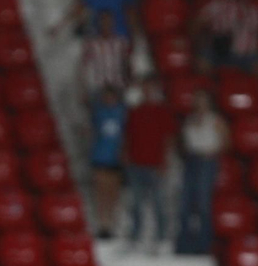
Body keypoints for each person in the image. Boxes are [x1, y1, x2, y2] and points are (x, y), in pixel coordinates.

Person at [123, 78, 176, 253]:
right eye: (144, 89)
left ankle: (162, 239)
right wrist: (127, 157)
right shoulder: (134, 111)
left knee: (159, 203)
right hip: (136, 165)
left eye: (150, 88)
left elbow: (168, 139)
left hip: (155, 165)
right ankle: (136, 238)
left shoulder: (162, 112)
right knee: (136, 204)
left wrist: (165, 161)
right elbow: (128, 136)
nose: (146, 92)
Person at [176, 89, 228, 255]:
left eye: (203, 100)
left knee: (203, 204)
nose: (199, 103)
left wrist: (213, 152)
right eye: (197, 100)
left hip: (207, 161)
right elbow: (184, 142)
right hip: (191, 160)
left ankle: (203, 245)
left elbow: (226, 141)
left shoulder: (215, 120)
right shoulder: (189, 120)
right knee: (185, 204)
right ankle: (184, 245)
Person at [196, 0, 258, 74]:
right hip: (219, 51)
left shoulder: (257, 11)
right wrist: (200, 41)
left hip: (247, 55)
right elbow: (198, 21)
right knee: (202, 64)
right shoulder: (219, 5)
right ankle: (207, 87)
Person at [88, 85, 126, 240]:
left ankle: (111, 224)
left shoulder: (122, 112)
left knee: (113, 194)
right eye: (106, 96)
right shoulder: (98, 112)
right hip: (100, 157)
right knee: (101, 193)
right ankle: (102, 225)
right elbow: (93, 131)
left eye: (111, 96)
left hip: (116, 158)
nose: (108, 99)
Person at [81, 11, 129, 99]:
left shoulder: (121, 42)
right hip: (98, 87)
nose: (106, 24)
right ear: (98, 23)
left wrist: (128, 82)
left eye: (108, 21)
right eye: (103, 21)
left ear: (113, 23)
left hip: (118, 86)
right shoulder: (91, 44)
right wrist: (85, 90)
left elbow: (126, 63)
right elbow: (85, 67)